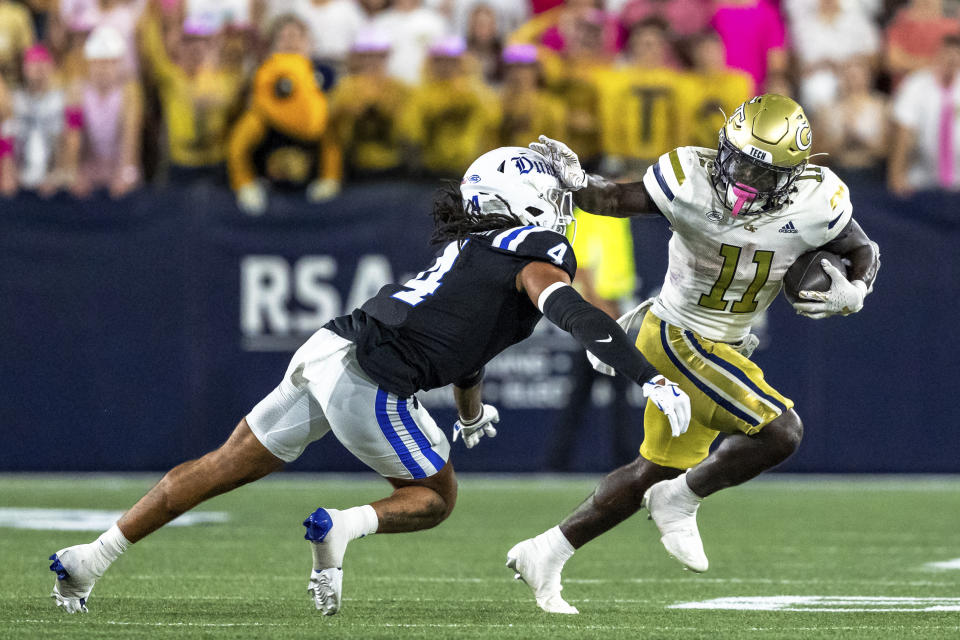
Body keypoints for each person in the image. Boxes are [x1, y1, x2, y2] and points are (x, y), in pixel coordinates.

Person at [47, 145, 692, 615]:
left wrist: (469, 413)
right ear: (525, 200)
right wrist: (646, 376)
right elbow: (567, 306)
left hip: (330, 347)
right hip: (372, 377)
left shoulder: (470, 252)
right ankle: (342, 528)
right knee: (435, 495)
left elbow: (467, 349)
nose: (562, 203)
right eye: (553, 192)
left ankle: (92, 556)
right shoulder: (534, 251)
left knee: (223, 463)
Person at [510, 96, 881, 614]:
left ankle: (546, 550)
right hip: (676, 334)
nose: (744, 175)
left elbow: (862, 250)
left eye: (762, 169)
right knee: (781, 431)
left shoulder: (817, 202)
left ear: (793, 176)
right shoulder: (690, 176)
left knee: (653, 470)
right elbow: (614, 200)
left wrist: (857, 288)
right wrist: (580, 182)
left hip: (723, 342)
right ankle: (681, 499)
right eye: (739, 158)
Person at [888, 33, 960, 196]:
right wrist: (896, 176)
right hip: (922, 179)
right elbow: (903, 131)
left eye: (956, 56)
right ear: (937, 55)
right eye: (946, 54)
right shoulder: (916, 84)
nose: (951, 60)